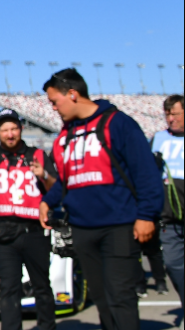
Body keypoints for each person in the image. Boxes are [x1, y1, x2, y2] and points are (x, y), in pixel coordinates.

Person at [39, 68, 162, 330]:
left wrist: (146, 215)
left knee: (121, 297)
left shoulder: (118, 123)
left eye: (54, 101)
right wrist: (47, 201)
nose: (53, 108)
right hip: (82, 230)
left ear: (72, 94)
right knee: (102, 299)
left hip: (119, 227)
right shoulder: (64, 138)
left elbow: (146, 172)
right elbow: (65, 180)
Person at [0, 108, 57, 330]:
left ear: (21, 129)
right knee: (8, 289)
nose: (10, 134)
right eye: (5, 129)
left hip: (35, 231)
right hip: (4, 234)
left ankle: (47, 327)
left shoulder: (39, 156)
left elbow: (56, 190)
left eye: (14, 128)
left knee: (41, 286)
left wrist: (44, 175)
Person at [152, 94, 184, 305]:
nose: (170, 119)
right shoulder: (158, 138)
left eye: (175, 114)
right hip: (169, 217)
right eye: (167, 115)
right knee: (173, 264)